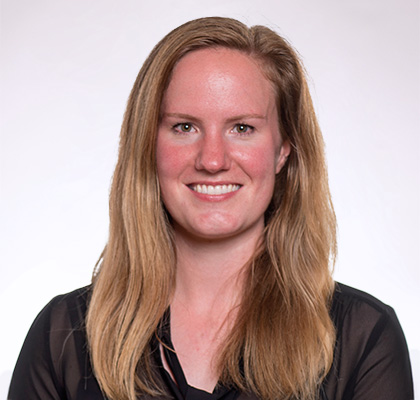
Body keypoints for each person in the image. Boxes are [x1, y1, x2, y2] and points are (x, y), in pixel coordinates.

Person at [8, 17, 413, 400]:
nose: (213, 159)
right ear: (147, 145)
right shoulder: (64, 336)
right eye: (184, 127)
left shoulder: (363, 338)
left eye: (243, 128)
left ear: (283, 149)